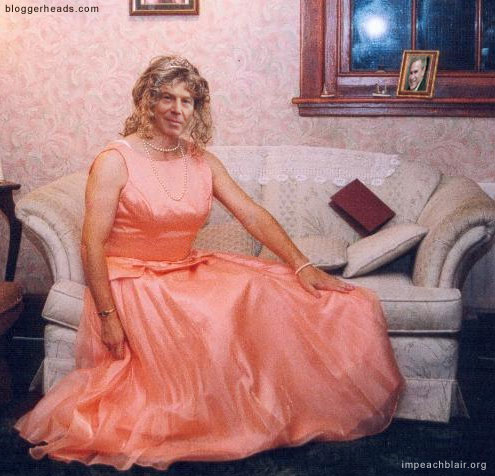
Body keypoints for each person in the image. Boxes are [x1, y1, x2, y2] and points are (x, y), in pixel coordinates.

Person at [15, 56, 404, 471]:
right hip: (132, 279)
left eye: (188, 101)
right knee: (215, 312)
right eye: (167, 97)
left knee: (267, 289)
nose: (177, 109)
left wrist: (302, 265)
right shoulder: (115, 159)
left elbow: (251, 214)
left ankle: (282, 406)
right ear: (148, 100)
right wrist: (108, 315)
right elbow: (91, 243)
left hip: (186, 267)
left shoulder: (201, 159)